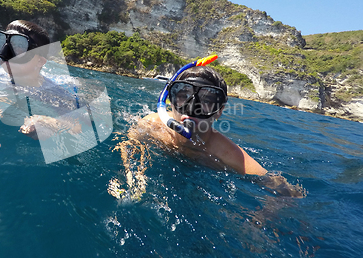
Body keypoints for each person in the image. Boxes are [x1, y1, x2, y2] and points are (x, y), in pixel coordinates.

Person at [108, 55, 305, 199]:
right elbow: (129, 144)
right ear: (169, 100)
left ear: (219, 111)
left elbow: (286, 190)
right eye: (183, 96)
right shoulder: (152, 125)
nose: (192, 108)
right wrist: (131, 174)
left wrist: (261, 219)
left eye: (207, 100)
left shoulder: (225, 153)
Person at [0, 20, 81, 158]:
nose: (6, 53)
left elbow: (76, 124)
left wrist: (50, 123)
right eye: (3, 44)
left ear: (40, 61)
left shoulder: (56, 90)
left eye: (19, 48)